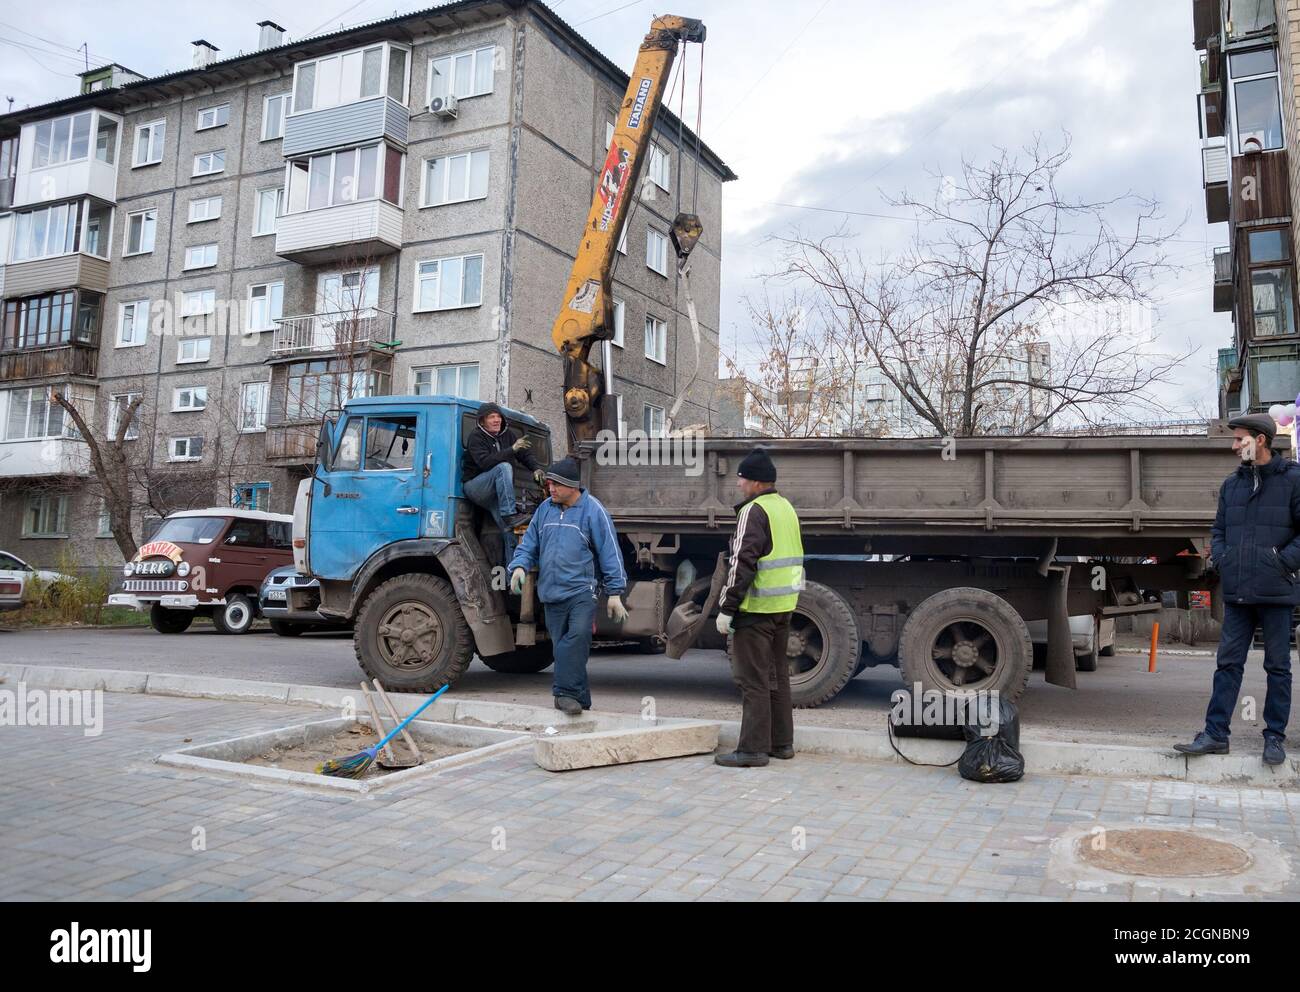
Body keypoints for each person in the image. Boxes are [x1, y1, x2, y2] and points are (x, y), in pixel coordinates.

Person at [1175, 412, 1300, 766]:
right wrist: (1224, 559)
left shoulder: (1293, 479)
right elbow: (1218, 530)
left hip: (1276, 591)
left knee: (1278, 667)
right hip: (1239, 591)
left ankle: (1274, 737)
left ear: (1259, 440)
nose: (1233, 446)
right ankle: (1215, 734)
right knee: (1227, 664)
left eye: (1239, 438)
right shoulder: (1233, 485)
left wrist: (1281, 562)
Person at [508, 456, 629, 715]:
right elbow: (529, 544)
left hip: (581, 591)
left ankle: (564, 694)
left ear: (572, 486)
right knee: (562, 645)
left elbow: (610, 552)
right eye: (549, 483)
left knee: (575, 640)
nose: (550, 488)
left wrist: (615, 592)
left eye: (556, 485)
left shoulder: (593, 511)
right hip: (551, 592)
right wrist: (519, 566)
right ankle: (580, 698)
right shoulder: (544, 510)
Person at [713, 447, 804, 768]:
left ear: (756, 482)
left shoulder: (753, 512)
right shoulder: (786, 508)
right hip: (783, 607)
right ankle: (782, 744)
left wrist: (727, 608)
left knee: (752, 680)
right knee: (777, 677)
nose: (739, 485)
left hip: (755, 609)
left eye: (742, 479)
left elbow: (742, 563)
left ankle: (751, 750)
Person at [462, 402, 546, 565]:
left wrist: (536, 469)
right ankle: (510, 514)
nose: (496, 420)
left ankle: (512, 577)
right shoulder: (476, 437)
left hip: (495, 493)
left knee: (510, 532)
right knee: (503, 467)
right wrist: (511, 450)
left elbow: (524, 454)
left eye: (498, 416)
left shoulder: (508, 436)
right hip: (475, 487)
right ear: (482, 421)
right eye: (491, 417)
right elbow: (485, 463)